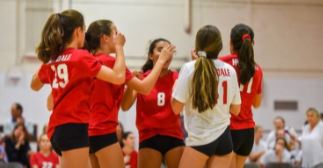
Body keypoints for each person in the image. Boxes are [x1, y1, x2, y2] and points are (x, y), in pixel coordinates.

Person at [30, 9, 126, 168]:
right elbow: (118, 77)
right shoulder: (81, 57)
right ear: (78, 31)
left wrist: (49, 59)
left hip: (57, 129)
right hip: (74, 127)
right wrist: (120, 48)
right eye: (84, 29)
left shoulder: (54, 59)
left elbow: (34, 85)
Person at [85, 20, 174, 168]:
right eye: (115, 32)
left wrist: (131, 85)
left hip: (86, 134)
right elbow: (145, 88)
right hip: (104, 132)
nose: (120, 35)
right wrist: (161, 61)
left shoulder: (89, 61)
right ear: (104, 38)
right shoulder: (111, 62)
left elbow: (124, 105)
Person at [172, 25, 241, 168]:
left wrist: (175, 87)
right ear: (220, 46)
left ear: (197, 45)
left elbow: (176, 108)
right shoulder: (230, 70)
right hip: (224, 139)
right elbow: (236, 110)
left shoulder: (189, 68)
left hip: (200, 138)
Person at [121, 38, 183, 168]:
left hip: (173, 135)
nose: (165, 53)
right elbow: (125, 106)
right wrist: (132, 85)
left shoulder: (177, 77)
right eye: (160, 50)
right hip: (149, 136)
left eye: (168, 50)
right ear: (150, 55)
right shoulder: (142, 78)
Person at [220, 23, 263, 168]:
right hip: (248, 132)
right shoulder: (257, 69)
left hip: (229, 130)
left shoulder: (222, 63)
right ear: (252, 43)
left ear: (231, 43)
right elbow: (257, 103)